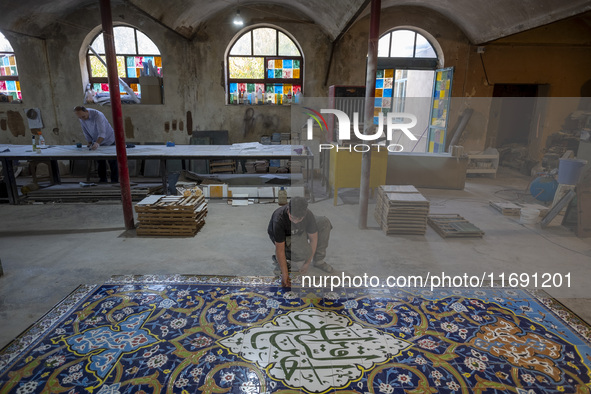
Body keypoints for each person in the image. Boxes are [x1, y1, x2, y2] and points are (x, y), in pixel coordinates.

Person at [267, 196, 334, 287]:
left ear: (304, 213)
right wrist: (285, 274)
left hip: (300, 231)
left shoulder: (308, 214)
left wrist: (307, 263)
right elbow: (279, 248)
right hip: (287, 236)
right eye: (293, 218)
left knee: (324, 222)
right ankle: (287, 259)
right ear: (288, 210)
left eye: (299, 219)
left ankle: (318, 261)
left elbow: (313, 239)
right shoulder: (279, 219)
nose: (296, 221)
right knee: (302, 253)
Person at [74, 106, 118, 183]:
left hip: (108, 139)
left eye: (83, 116)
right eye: (80, 117)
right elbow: (85, 131)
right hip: (96, 140)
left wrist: (97, 143)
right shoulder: (81, 117)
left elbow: (102, 133)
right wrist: (90, 142)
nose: (82, 119)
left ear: (87, 111)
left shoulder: (98, 115)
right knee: (100, 161)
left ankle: (115, 180)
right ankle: (103, 179)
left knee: (112, 161)